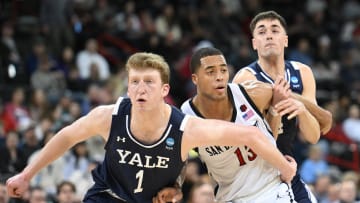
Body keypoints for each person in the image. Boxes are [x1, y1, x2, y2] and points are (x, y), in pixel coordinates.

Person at [6, 52, 296, 203]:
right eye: (134, 82)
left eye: (149, 82)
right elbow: (67, 136)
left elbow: (250, 135)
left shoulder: (185, 128)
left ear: (164, 90)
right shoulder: (109, 116)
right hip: (107, 197)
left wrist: (284, 166)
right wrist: (27, 174)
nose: (140, 88)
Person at [180, 47, 330, 202]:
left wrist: (319, 113)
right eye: (211, 72)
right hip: (231, 197)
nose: (219, 77)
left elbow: (315, 114)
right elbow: (175, 158)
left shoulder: (253, 93)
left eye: (223, 70)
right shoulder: (186, 117)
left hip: (273, 189)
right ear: (195, 79)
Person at [232, 10, 332, 203]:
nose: (268, 35)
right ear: (254, 43)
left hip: (288, 167)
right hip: (255, 174)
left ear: (285, 40)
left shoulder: (302, 72)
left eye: (275, 30)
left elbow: (313, 137)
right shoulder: (246, 78)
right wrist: (274, 108)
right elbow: (247, 139)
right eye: (261, 31)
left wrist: (302, 110)